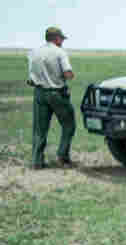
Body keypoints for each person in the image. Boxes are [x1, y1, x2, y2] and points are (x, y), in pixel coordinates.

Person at [27, 26, 76, 169]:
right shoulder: (60, 52)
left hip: (39, 93)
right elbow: (68, 74)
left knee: (39, 129)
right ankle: (62, 157)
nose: (62, 41)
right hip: (56, 93)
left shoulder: (34, 52)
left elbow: (30, 79)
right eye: (61, 39)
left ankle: (37, 161)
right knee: (69, 124)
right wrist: (70, 76)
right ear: (56, 38)